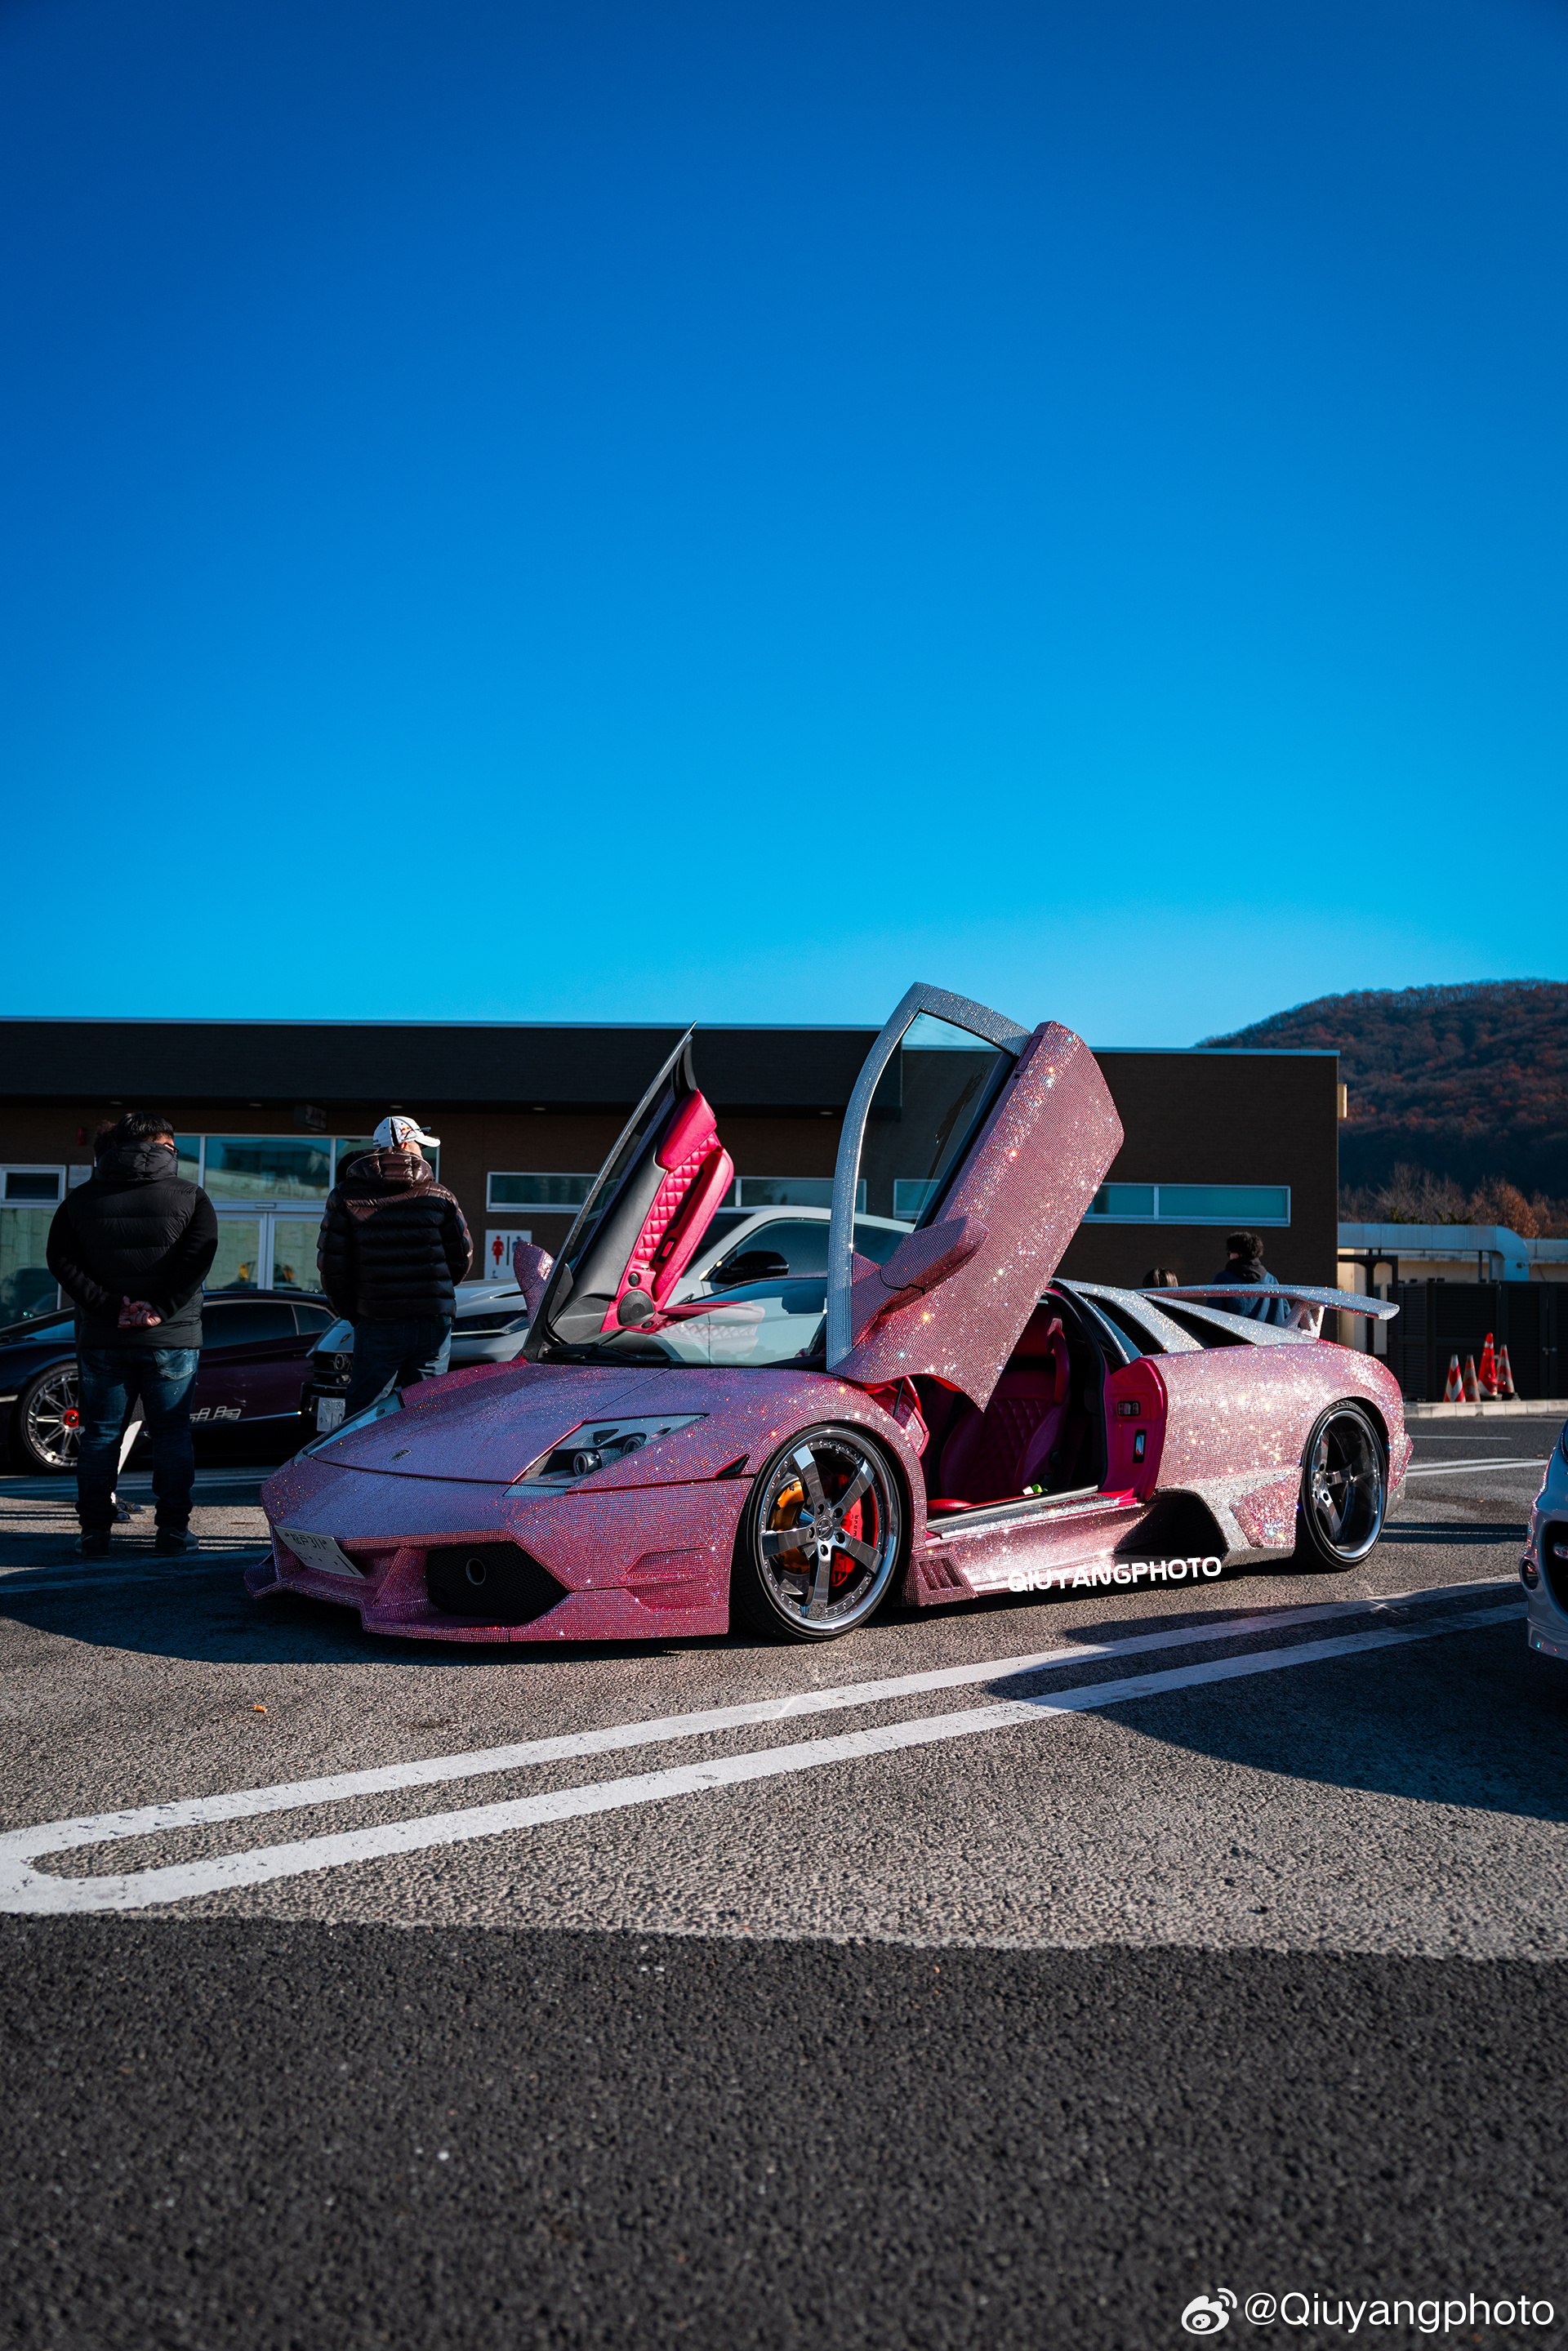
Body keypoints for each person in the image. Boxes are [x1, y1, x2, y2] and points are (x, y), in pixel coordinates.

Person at [46, 1111, 218, 1558]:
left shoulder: (80, 1200)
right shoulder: (191, 1196)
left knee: (101, 1435)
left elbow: (61, 1261)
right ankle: (173, 1531)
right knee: (172, 1435)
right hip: (171, 1337)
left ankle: (94, 1533)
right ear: (168, 1146)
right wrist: (159, 1308)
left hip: (105, 1336)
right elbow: (198, 1259)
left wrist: (109, 1306)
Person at [318, 1114, 473, 1418]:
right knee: (428, 1414)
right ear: (403, 1144)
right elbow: (461, 1259)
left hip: (377, 1319)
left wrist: (356, 1313)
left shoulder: (345, 1196)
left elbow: (332, 1268)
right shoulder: (439, 1195)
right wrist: (435, 1291)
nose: (422, 1153)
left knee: (365, 1417)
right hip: (431, 1319)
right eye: (419, 1145)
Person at [1209, 1229, 1291, 1327]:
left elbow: (1212, 1316)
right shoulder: (1272, 1281)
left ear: (1236, 1255)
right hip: (1270, 1336)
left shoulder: (1223, 1280)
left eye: (1229, 1253)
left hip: (1234, 1336)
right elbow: (1288, 1315)